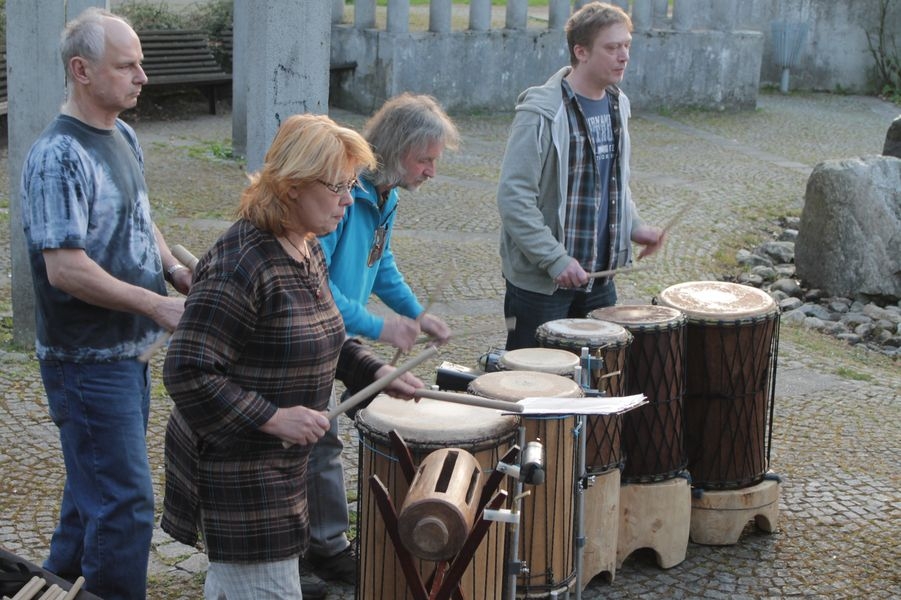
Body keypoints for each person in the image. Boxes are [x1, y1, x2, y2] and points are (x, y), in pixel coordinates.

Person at [160, 113, 424, 600]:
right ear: (293, 185)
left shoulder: (306, 247)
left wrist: (375, 370)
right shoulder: (242, 261)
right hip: (239, 475)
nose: (349, 199)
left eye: (351, 185)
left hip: (281, 470)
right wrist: (274, 418)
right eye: (337, 186)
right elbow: (186, 371)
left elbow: (326, 334)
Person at [19, 8, 191, 600]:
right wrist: (156, 305)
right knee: (125, 508)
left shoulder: (122, 134)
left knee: (88, 494)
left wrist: (171, 268)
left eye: (140, 63)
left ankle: (39, 590)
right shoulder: (57, 157)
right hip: (85, 362)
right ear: (81, 71)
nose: (142, 76)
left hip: (126, 358)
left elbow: (141, 218)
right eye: (127, 66)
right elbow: (64, 268)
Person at [299, 94, 460, 596]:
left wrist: (414, 313)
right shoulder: (346, 193)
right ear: (396, 150)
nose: (432, 171)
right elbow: (316, 285)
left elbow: (380, 262)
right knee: (320, 441)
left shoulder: (385, 194)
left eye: (435, 160)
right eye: (425, 159)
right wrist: (380, 326)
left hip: (343, 336)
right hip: (308, 333)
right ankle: (320, 550)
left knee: (384, 418)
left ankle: (366, 532)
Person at [497, 1, 665, 350]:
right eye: (612, 47)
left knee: (598, 384)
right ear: (581, 51)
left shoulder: (618, 104)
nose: (624, 56)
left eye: (627, 45)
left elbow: (614, 185)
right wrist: (555, 258)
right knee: (534, 388)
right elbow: (514, 199)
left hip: (600, 280)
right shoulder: (540, 112)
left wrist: (635, 226)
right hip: (543, 285)